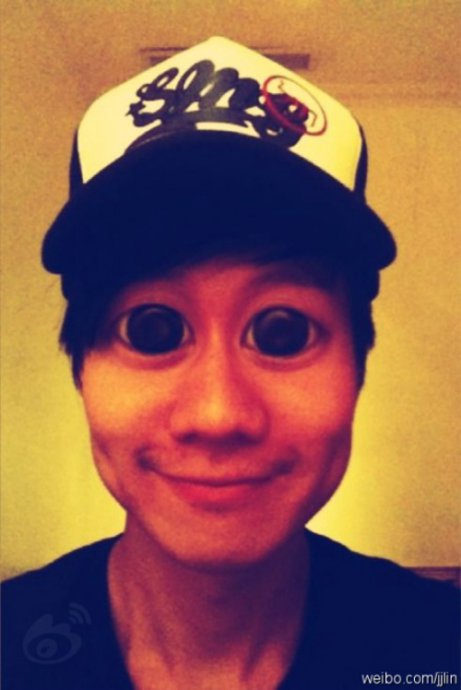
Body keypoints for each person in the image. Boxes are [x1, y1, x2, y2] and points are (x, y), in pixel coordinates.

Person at [2, 37, 459, 690]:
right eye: (152, 331)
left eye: (283, 332)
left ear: (357, 370)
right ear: (81, 373)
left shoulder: (439, 649)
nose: (218, 415)